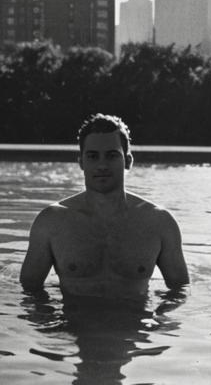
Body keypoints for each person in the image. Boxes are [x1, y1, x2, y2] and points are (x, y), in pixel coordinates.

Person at [20, 114, 189, 300]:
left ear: (128, 161)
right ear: (81, 162)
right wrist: (54, 325)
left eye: (111, 155)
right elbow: (29, 293)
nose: (102, 165)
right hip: (72, 325)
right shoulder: (51, 221)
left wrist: (157, 324)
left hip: (135, 325)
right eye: (93, 156)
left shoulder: (159, 222)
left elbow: (179, 293)